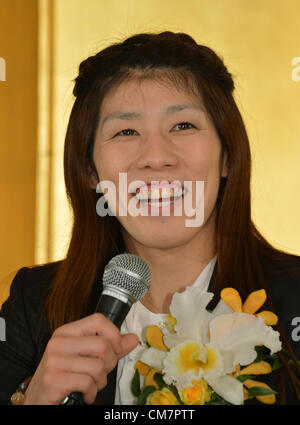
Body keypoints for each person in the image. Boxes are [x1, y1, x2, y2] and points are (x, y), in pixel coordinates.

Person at [0, 31, 299, 405]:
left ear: (227, 157)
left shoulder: (295, 301)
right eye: (126, 131)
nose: (156, 157)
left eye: (183, 126)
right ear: (91, 171)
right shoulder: (34, 305)